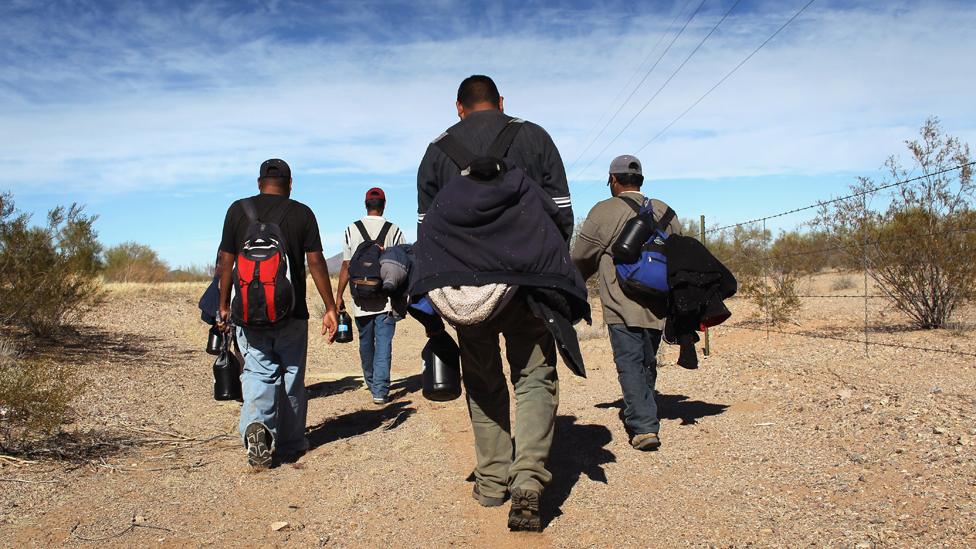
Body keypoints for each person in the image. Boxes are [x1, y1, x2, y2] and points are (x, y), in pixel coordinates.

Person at [415, 75, 576, 531]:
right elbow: (562, 213)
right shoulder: (535, 136)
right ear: (502, 102)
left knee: (483, 380)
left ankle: (490, 482)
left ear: (459, 108)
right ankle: (528, 479)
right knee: (533, 378)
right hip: (529, 283)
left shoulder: (436, 151)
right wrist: (546, 267)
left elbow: (427, 231)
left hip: (468, 290)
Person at [216, 158, 338, 468]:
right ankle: (291, 441)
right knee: (292, 375)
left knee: (258, 371)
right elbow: (316, 262)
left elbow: (226, 261)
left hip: (246, 311)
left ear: (259, 183)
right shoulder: (302, 213)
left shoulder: (237, 210)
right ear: (290, 184)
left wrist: (224, 304)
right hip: (292, 312)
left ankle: (258, 428)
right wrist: (330, 306)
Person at [571, 155, 681, 451]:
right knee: (647, 358)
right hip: (658, 301)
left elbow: (582, 256)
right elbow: (678, 251)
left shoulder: (604, 211)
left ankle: (644, 426)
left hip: (622, 301)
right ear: (640, 180)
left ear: (613, 180)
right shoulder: (665, 210)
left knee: (629, 361)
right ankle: (645, 407)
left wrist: (573, 282)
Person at [335, 187, 405, 405]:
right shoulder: (394, 230)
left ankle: (372, 381)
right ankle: (380, 391)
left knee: (366, 343)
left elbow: (346, 265)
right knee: (384, 344)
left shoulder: (351, 229)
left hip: (359, 300)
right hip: (386, 299)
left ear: (366, 204)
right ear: (384, 205)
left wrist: (338, 297)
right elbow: (402, 264)